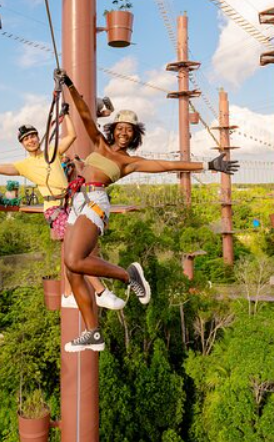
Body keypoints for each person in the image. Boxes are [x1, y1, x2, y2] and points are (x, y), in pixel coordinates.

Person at [55, 69, 239, 353]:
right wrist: (68, 84)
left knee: (74, 259)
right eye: (121, 128)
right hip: (78, 201)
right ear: (113, 129)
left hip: (94, 203)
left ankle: (129, 276)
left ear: (135, 135)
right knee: (72, 269)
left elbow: (167, 166)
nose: (125, 133)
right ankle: (93, 332)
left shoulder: (129, 162)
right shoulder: (98, 143)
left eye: (130, 130)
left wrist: (208, 166)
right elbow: (84, 114)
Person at [0, 106, 125, 311]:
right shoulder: (24, 165)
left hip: (72, 204)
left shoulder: (51, 152)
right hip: (54, 209)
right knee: (76, 252)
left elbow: (73, 135)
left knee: (74, 251)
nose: (31, 140)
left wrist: (66, 115)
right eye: (26, 139)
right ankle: (101, 292)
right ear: (23, 144)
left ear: (37, 138)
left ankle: (68, 295)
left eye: (33, 136)